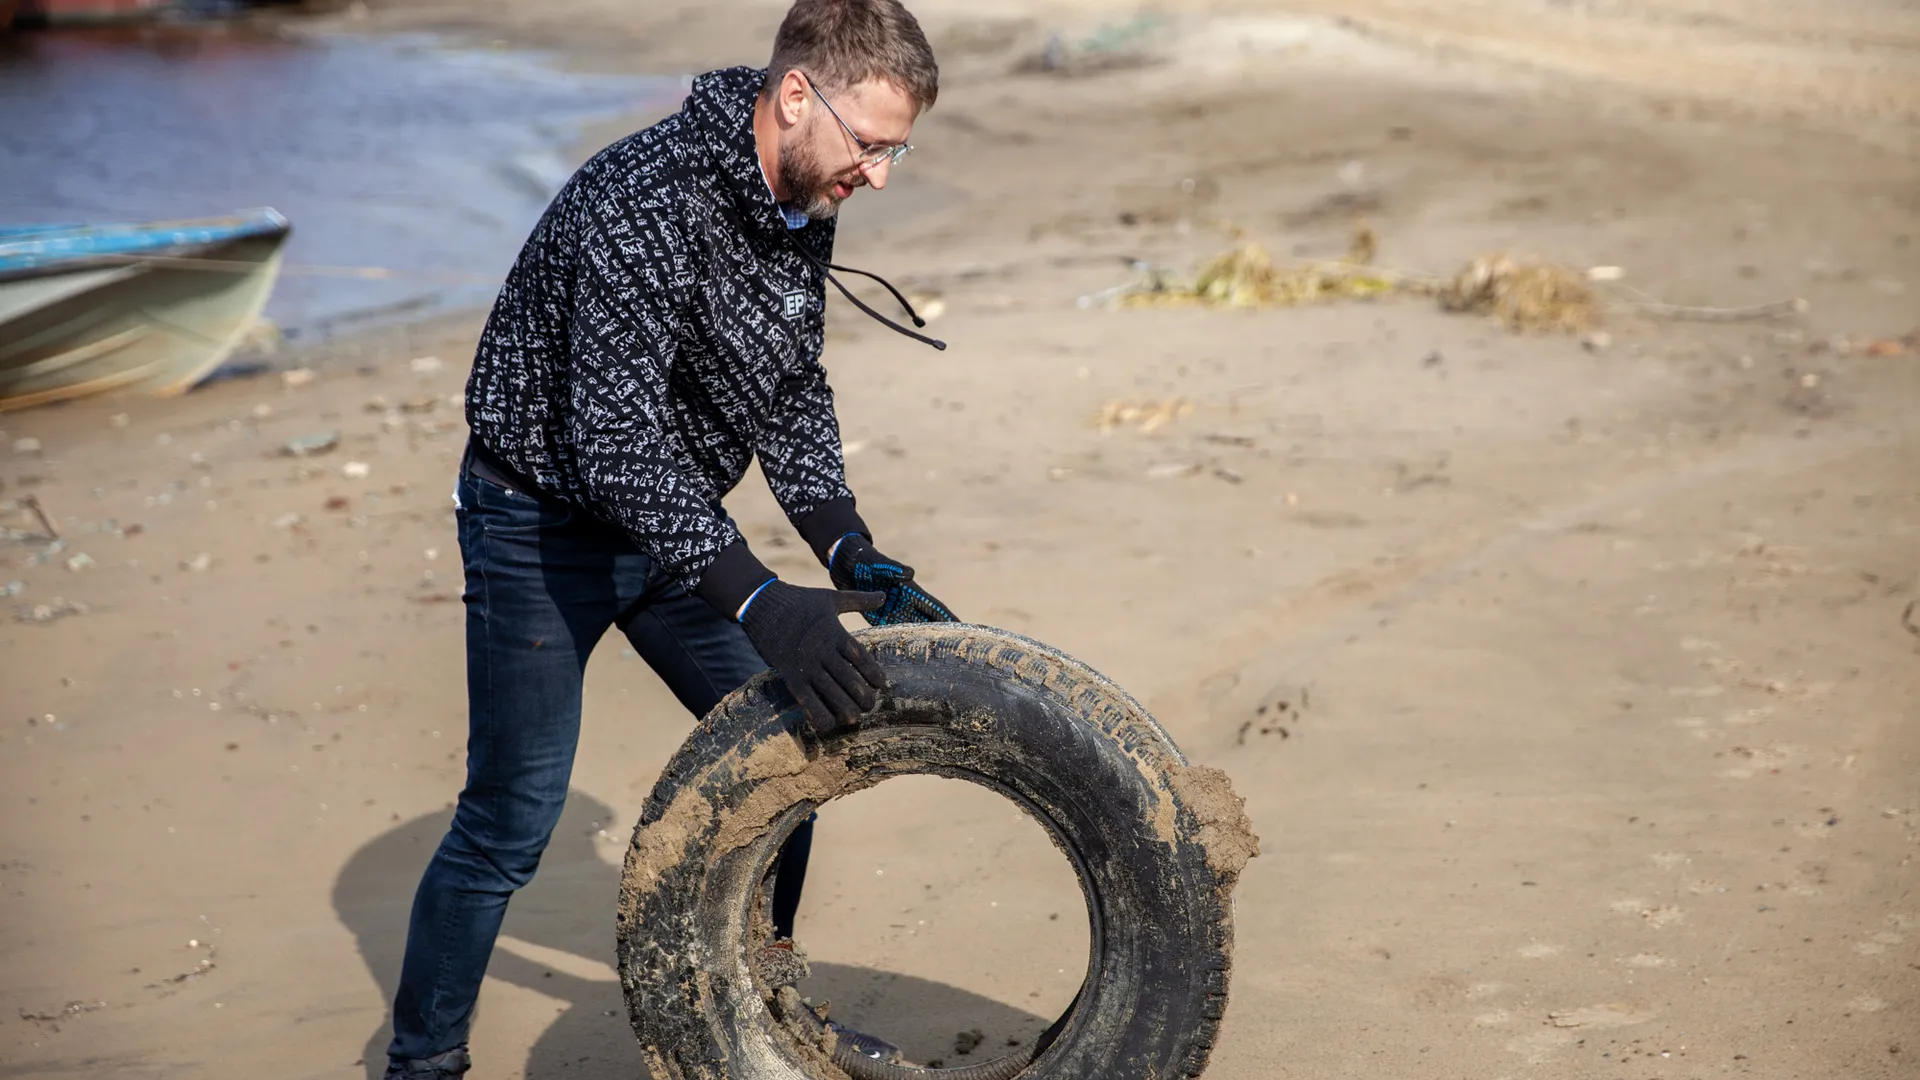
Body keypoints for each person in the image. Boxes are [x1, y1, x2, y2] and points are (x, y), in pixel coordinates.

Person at [384, 2, 955, 1075]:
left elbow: (785, 389)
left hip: (670, 524)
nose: (878, 176)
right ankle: (422, 1063)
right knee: (512, 817)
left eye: (897, 152)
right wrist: (760, 602)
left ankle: (764, 1012)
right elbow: (612, 443)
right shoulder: (641, 199)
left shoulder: (799, 186)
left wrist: (846, 548)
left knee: (796, 752)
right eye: (872, 146)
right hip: (538, 523)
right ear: (798, 96)